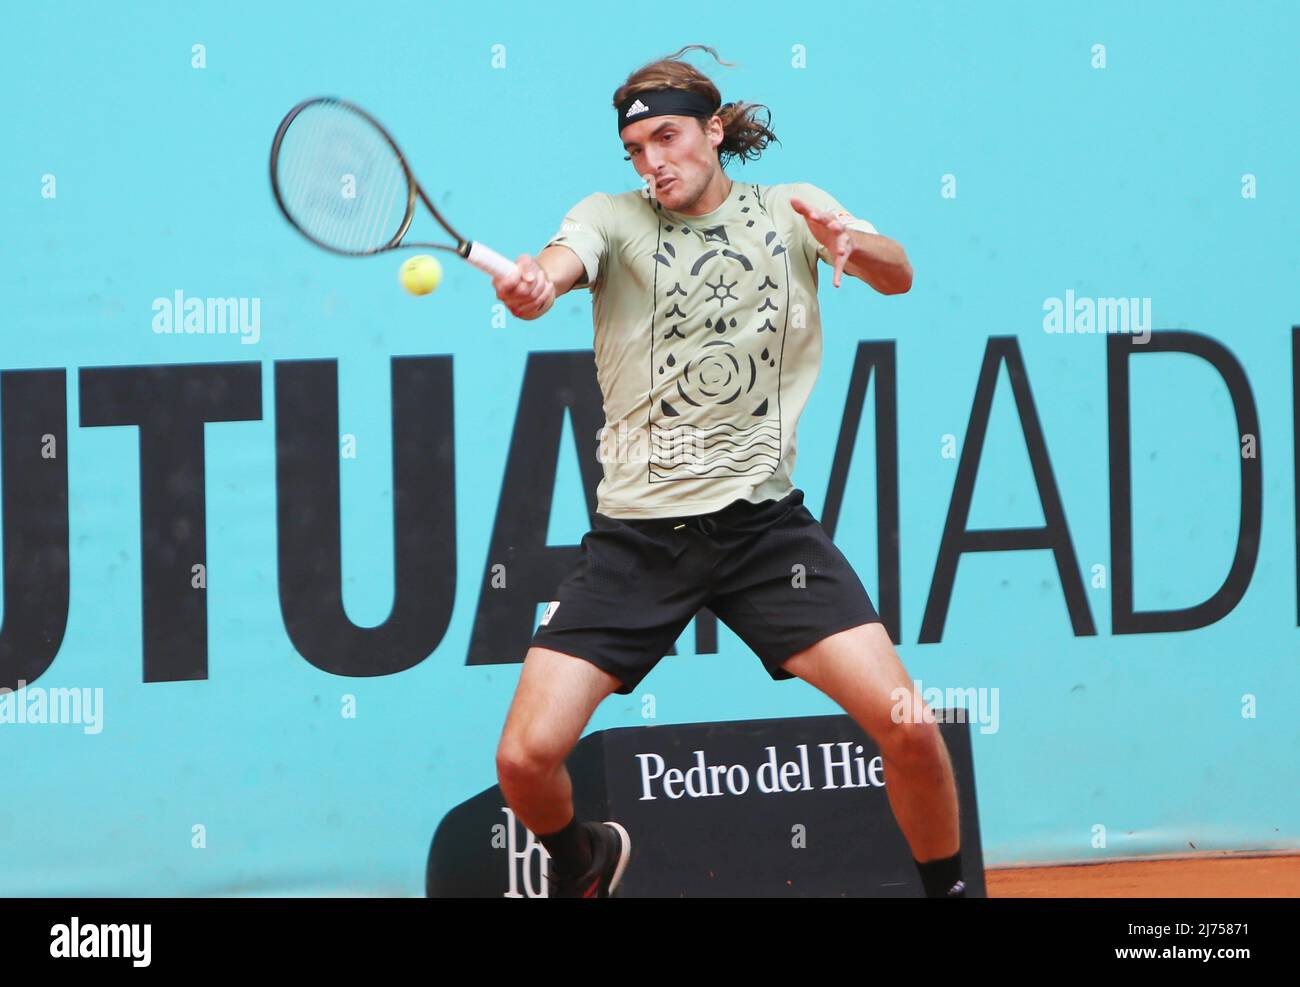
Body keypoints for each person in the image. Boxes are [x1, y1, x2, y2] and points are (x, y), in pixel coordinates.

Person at [492, 44, 964, 899]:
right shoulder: (612, 215)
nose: (653, 162)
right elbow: (561, 263)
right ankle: (587, 859)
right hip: (637, 542)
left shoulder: (791, 209)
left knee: (912, 728)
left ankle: (950, 891)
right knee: (524, 759)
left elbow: (900, 274)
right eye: (637, 150)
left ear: (712, 131)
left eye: (668, 138)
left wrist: (851, 239)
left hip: (764, 532)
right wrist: (537, 283)